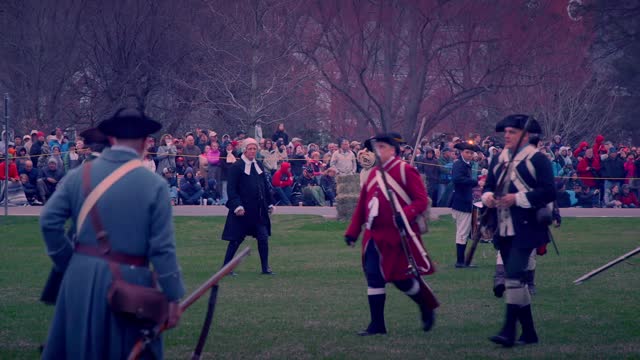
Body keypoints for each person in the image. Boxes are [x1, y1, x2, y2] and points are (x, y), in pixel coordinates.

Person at [39, 107, 184, 359]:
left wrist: (69, 261)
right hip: (130, 281)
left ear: (112, 139)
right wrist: (173, 296)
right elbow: (162, 249)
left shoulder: (78, 176)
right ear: (145, 142)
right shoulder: (155, 185)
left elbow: (49, 221)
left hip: (79, 278)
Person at [344, 133, 435, 336]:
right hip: (373, 236)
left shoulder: (406, 171)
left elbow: (421, 200)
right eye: (376, 147)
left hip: (397, 237)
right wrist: (352, 232)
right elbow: (362, 206)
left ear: (393, 149)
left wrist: (406, 214)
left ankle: (426, 304)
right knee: (374, 276)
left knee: (401, 279)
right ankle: (377, 325)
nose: (377, 151)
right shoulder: (373, 174)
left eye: (382, 146)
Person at [481, 114, 555, 347]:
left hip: (527, 227)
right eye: (507, 132)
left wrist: (518, 198)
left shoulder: (538, 160)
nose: (507, 135)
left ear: (526, 135)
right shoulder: (498, 158)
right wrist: (489, 198)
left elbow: (549, 192)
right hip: (503, 227)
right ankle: (529, 333)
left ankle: (508, 330)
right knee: (518, 281)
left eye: (512, 132)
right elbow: (488, 187)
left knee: (512, 274)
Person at [221, 138, 276, 275]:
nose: (252, 151)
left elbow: (265, 186)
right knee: (236, 240)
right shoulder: (236, 167)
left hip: (259, 210)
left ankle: (265, 268)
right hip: (243, 210)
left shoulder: (259, 165)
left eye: (254, 148)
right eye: (250, 148)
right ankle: (226, 268)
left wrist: (269, 203)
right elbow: (231, 190)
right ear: (244, 150)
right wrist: (237, 206)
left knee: (263, 238)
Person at [450, 142, 482, 268]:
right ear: (462, 153)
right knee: (462, 232)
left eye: (471, 153)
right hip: (461, 201)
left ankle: (462, 260)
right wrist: (475, 182)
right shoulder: (459, 164)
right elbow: (457, 179)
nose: (469, 155)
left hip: (464, 200)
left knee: (464, 231)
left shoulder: (467, 165)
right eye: (467, 152)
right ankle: (460, 261)